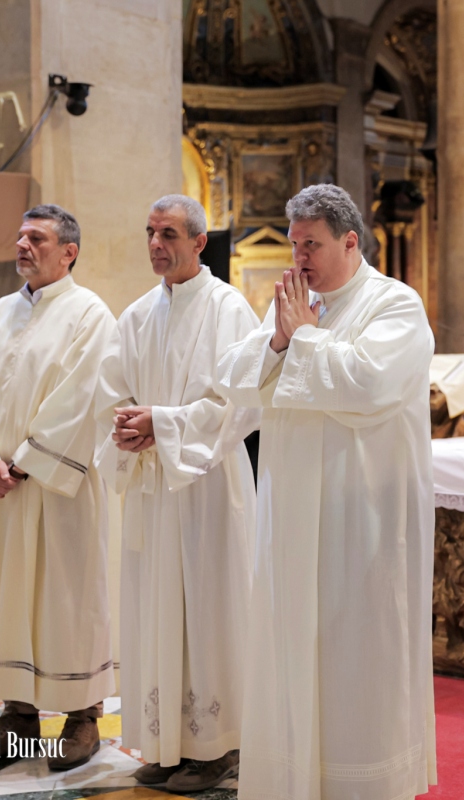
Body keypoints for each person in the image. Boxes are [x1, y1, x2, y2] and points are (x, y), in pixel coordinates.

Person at [217, 184, 436, 800]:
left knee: (356, 652)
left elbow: (368, 386)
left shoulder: (395, 304)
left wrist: (304, 339)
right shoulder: (292, 304)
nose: (299, 257)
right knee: (292, 643)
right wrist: (283, 339)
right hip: (290, 512)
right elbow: (233, 375)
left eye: (310, 244)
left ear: (348, 240)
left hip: (360, 515)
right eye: (293, 244)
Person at [94, 195, 260, 791]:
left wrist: (158, 426)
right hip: (154, 489)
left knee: (210, 609)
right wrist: (124, 429)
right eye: (149, 232)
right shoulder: (137, 315)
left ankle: (219, 748)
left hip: (207, 488)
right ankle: (168, 744)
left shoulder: (229, 310)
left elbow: (241, 401)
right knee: (156, 608)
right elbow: (110, 394)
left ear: (199, 240)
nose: (156, 244)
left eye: (168, 233)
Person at [0, 205, 117, 771]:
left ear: (68, 251)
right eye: (20, 236)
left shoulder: (89, 313)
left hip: (55, 487)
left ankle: (82, 716)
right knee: (7, 598)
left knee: (66, 598)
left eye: (36, 238)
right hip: (2, 490)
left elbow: (82, 395)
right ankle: (18, 716)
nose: (23, 245)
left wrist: (21, 463)